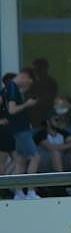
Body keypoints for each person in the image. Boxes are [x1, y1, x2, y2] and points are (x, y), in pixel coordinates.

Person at [4, 68, 41, 199]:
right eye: (29, 82)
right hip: (21, 130)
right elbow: (12, 110)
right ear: (25, 76)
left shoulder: (10, 88)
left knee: (20, 160)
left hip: (18, 129)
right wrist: (27, 104)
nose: (27, 85)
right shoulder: (12, 87)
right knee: (35, 157)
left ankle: (19, 192)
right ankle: (30, 191)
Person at [35, 112, 71, 196]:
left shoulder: (62, 132)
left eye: (59, 120)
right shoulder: (41, 134)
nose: (58, 122)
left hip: (62, 160)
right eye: (56, 120)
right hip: (45, 163)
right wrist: (67, 146)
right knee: (56, 154)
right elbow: (51, 148)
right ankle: (61, 184)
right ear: (48, 122)